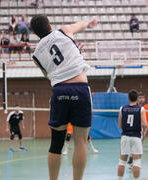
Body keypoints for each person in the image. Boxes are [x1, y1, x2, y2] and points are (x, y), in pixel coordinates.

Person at [30, 15, 97, 180]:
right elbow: (80, 24)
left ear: (35, 33)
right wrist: (88, 22)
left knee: (56, 144)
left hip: (59, 91)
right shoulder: (63, 31)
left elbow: (48, 75)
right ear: (50, 26)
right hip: (80, 89)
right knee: (80, 142)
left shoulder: (36, 56)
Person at [117, 89, 147, 180]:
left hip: (125, 136)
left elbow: (120, 125)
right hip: (136, 137)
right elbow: (144, 124)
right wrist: (144, 132)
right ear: (137, 98)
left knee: (122, 161)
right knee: (136, 162)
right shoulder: (141, 109)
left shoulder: (122, 108)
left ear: (128, 98)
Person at [127, 91, 145, 169]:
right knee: (137, 148)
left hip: (136, 131)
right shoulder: (137, 108)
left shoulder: (142, 107)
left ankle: (131, 161)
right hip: (136, 130)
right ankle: (133, 162)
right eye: (140, 97)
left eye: (143, 97)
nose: (141, 99)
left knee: (135, 147)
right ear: (137, 99)